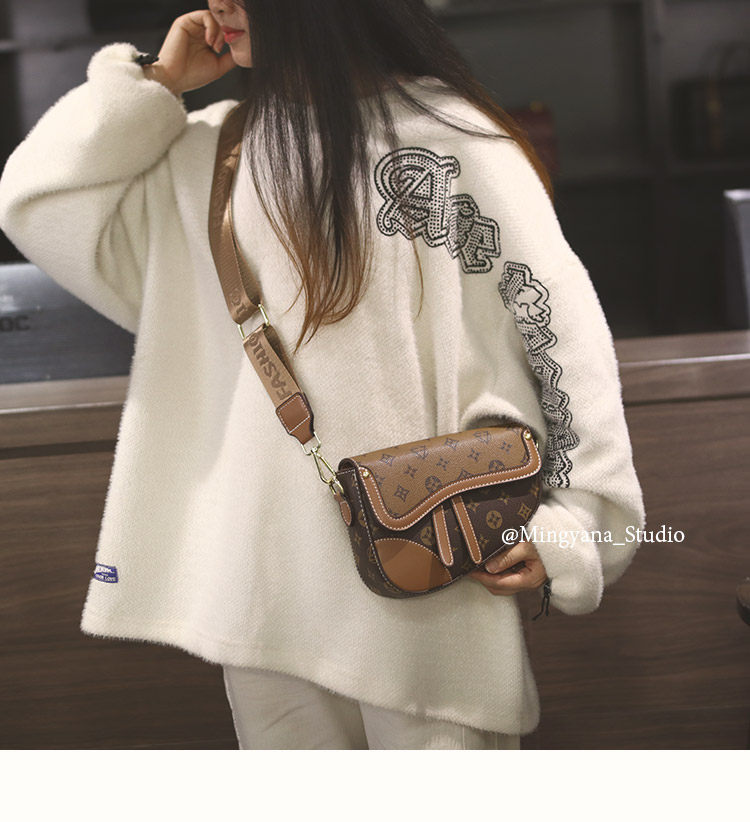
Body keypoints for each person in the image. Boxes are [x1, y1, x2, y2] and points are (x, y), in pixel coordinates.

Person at [0, 0, 645, 750]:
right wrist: (152, 85)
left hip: (430, 579)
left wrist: (577, 524)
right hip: (267, 596)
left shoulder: (450, 139)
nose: (218, 4)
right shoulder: (213, 154)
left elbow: (559, 338)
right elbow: (37, 200)